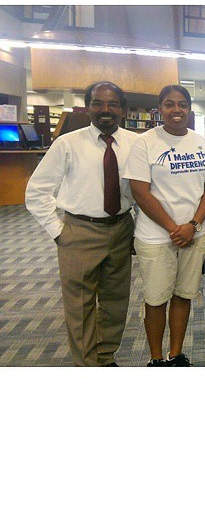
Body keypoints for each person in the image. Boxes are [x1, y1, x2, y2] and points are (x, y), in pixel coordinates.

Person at [25, 81, 137, 366]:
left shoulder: (137, 144)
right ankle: (87, 365)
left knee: (115, 301)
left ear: (123, 110)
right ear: (88, 108)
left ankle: (105, 355)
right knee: (80, 305)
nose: (105, 110)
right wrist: (59, 232)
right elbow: (36, 192)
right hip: (79, 231)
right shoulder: (67, 143)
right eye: (98, 103)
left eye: (113, 104)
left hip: (122, 227)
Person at [124, 84, 205, 367]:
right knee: (155, 300)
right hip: (155, 237)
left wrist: (193, 224)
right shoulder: (145, 143)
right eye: (169, 104)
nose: (176, 110)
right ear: (160, 109)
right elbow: (140, 191)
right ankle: (156, 359)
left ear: (189, 109)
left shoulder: (203, 143)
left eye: (181, 104)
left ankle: (176, 354)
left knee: (183, 295)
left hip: (194, 234)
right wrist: (172, 227)